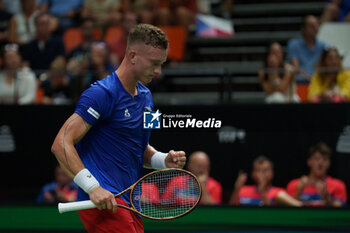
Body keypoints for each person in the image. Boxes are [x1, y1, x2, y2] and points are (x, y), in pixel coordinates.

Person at [51, 24, 186, 233]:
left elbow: (139, 148)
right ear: (132, 55)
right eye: (154, 63)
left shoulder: (148, 97)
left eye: (162, 64)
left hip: (130, 202)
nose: (158, 71)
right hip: (104, 202)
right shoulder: (100, 93)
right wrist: (92, 187)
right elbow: (60, 144)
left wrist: (162, 160)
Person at [286, 142, 347, 207]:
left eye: (325, 159)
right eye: (316, 159)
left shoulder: (338, 185)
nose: (320, 163)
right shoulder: (294, 185)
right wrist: (298, 192)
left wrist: (326, 197)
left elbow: (339, 211)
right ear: (309, 162)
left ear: (329, 163)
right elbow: (288, 211)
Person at [229, 156, 302, 206]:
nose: (261, 174)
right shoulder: (242, 190)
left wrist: (263, 192)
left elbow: (270, 215)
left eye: (265, 171)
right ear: (252, 174)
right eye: (258, 170)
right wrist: (236, 189)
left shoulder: (279, 193)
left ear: (272, 173)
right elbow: (230, 211)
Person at [287, 15, 328, 82]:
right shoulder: (294, 45)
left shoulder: (323, 46)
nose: (315, 28)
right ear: (303, 29)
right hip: (300, 82)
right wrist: (309, 79)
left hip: (318, 83)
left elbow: (322, 67)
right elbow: (296, 69)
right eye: (312, 26)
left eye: (317, 25)